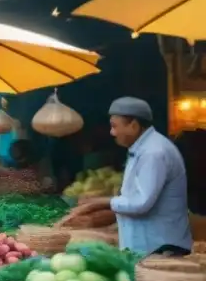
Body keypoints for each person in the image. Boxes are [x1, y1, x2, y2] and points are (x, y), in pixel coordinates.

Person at [64, 98, 191, 255]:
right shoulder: (142, 149)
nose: (112, 132)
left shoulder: (154, 152)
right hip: (148, 246)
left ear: (134, 126)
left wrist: (100, 202)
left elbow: (141, 203)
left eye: (114, 126)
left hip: (160, 248)